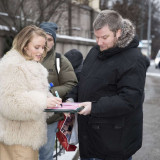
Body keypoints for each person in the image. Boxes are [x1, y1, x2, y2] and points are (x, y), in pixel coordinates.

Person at [66, 10, 150, 160]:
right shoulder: (94, 52)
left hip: (114, 145)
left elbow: (130, 99)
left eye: (104, 37)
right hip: (89, 141)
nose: (99, 42)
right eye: (96, 37)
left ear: (118, 32)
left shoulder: (134, 59)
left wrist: (94, 107)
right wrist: (71, 99)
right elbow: (83, 80)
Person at [0, 25, 62, 160]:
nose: (41, 51)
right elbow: (10, 103)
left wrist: (52, 101)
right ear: (24, 45)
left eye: (43, 47)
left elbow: (37, 93)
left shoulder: (33, 64)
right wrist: (43, 102)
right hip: (17, 139)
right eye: (37, 47)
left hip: (29, 137)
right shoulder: (13, 65)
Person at [39, 22, 77, 160]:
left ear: (54, 42)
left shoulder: (60, 60)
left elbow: (72, 83)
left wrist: (52, 91)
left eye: (50, 39)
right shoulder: (28, 57)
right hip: (28, 116)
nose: (46, 42)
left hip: (50, 118)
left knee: (45, 155)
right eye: (43, 37)